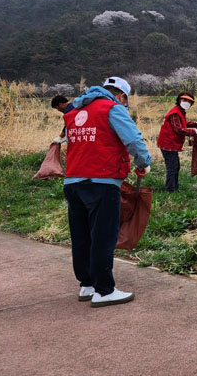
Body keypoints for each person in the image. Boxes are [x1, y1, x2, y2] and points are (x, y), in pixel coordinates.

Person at [63, 76, 152, 307]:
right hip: (101, 181)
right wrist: (144, 162)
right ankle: (104, 290)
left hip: (72, 181)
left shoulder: (74, 111)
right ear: (122, 96)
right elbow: (133, 139)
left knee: (81, 236)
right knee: (103, 235)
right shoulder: (112, 108)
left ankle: (87, 285)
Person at [156, 92, 197, 192]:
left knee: (176, 167)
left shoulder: (179, 111)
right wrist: (195, 131)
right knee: (172, 168)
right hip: (168, 144)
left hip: (171, 144)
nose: (186, 103)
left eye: (189, 102)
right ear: (179, 100)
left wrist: (195, 124)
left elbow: (182, 124)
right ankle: (170, 190)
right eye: (184, 100)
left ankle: (174, 188)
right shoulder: (175, 113)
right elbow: (179, 129)